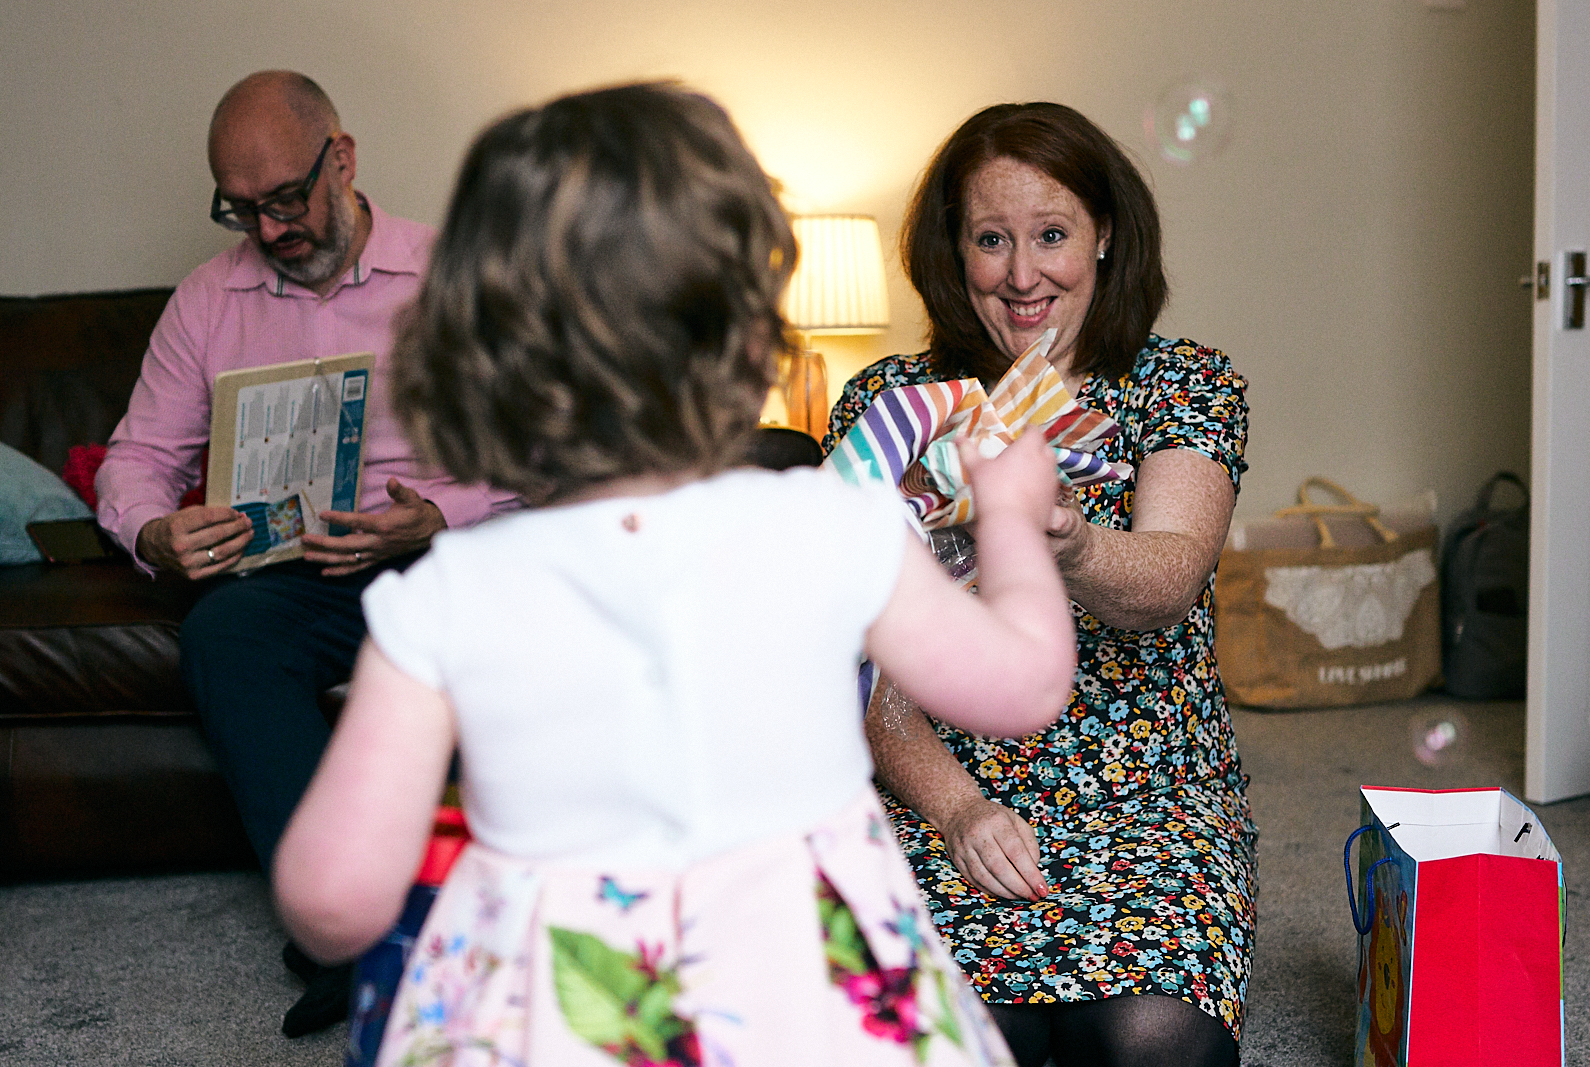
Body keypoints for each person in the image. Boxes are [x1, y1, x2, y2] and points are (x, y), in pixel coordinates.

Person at [271, 82, 1080, 1067]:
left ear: (475, 352)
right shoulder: (831, 523)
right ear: (747, 337)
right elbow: (1024, 682)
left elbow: (332, 898)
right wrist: (1006, 513)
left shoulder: (444, 597)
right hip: (807, 1011)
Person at [822, 102, 1255, 1067]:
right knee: (940, 1044)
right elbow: (865, 668)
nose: (1023, 275)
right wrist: (960, 810)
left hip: (1151, 801)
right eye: (991, 240)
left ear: (1104, 235)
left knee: (1155, 1042)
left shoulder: (1180, 384)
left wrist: (1060, 542)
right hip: (954, 788)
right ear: (955, 251)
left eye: (1051, 234)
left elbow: (1168, 581)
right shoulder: (892, 409)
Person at [93, 70, 522, 1036]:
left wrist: (440, 514)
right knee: (223, 636)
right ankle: (354, 929)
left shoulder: (458, 275)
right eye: (242, 210)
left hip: (441, 556)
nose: (270, 229)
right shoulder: (208, 299)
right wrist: (155, 529)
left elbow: (548, 459)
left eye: (286, 199)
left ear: (344, 159)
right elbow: (136, 459)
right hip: (290, 574)